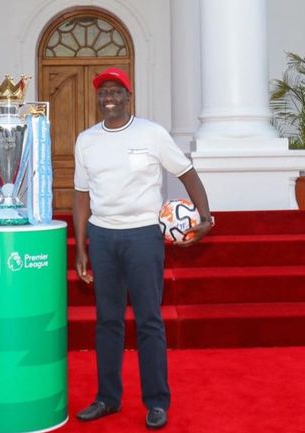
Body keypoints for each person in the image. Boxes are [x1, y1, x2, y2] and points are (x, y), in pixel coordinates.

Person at [73, 68, 212, 430]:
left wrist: (207, 216)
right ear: (97, 98)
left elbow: (187, 172)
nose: (110, 98)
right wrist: (81, 246)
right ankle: (107, 397)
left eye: (117, 91)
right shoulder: (86, 140)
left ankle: (156, 402)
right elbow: (81, 194)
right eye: (104, 92)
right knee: (107, 321)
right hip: (102, 237)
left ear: (128, 97)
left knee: (149, 321)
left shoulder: (152, 134)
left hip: (143, 238)